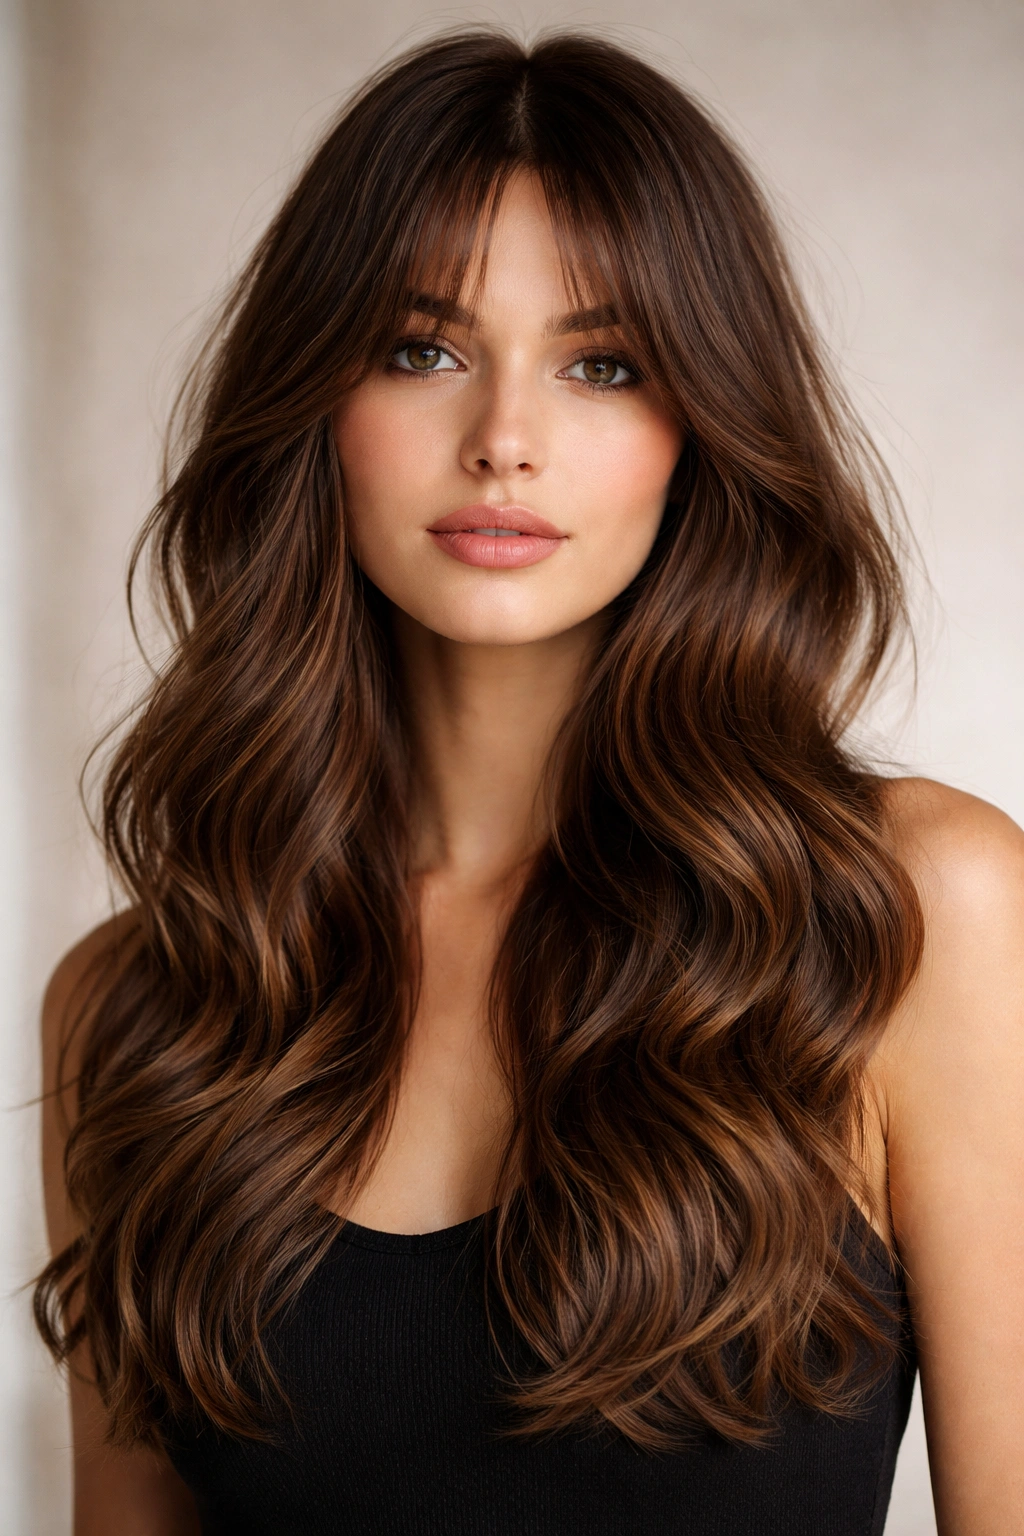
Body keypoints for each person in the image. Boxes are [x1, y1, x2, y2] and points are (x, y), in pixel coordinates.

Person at [36, 29, 1023, 1536]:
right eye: (423, 350)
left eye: (603, 364)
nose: (504, 441)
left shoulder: (914, 917)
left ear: (699, 427)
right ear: (316, 404)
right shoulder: (144, 1006)